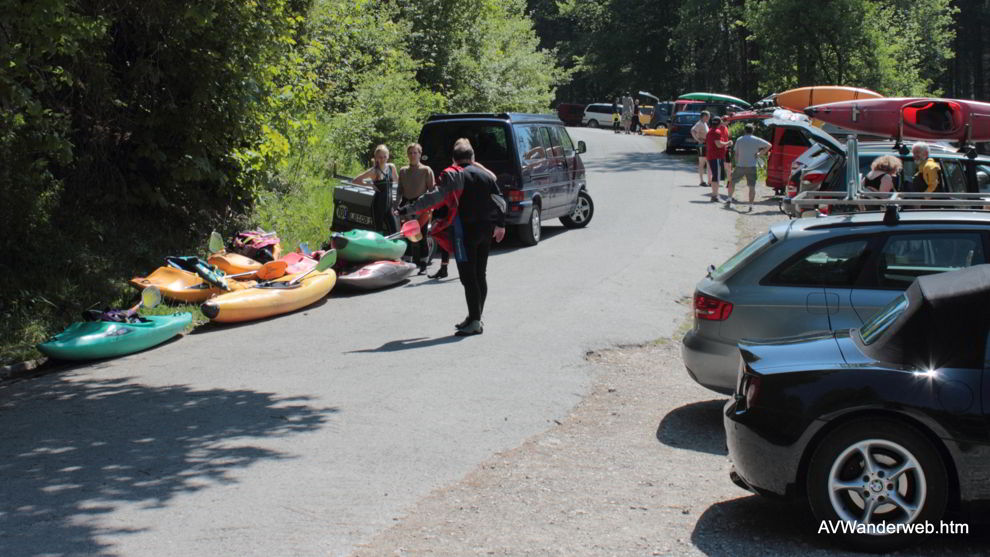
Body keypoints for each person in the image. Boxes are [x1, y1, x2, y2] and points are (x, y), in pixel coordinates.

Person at [398, 139, 506, 336]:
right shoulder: (485, 175)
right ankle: (476, 316)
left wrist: (407, 209)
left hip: (465, 233)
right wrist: (500, 224)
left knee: (468, 277)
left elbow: (434, 197)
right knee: (480, 275)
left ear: (454, 159)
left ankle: (475, 321)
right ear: (473, 157)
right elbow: (500, 202)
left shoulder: (454, 175)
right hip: (485, 231)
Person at [398, 143, 436, 274]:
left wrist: (431, 208)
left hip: (422, 207)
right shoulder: (403, 171)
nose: (413, 155)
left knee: (422, 236)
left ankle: (424, 264)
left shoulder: (426, 170)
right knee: (407, 235)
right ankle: (408, 264)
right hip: (407, 207)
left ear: (420, 154)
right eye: (410, 153)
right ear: (407, 155)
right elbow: (399, 191)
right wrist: (396, 207)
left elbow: (432, 191)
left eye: (415, 153)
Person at [352, 144, 399, 235]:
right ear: (376, 158)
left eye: (385, 156)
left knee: (394, 232)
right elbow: (356, 180)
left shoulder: (391, 167)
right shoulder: (374, 171)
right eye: (380, 157)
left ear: (388, 156)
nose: (383, 159)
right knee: (378, 231)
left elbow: (398, 181)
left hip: (389, 207)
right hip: (378, 206)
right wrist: (370, 185)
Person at [727, 123, 771, 211]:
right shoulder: (756, 140)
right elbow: (769, 145)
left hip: (740, 165)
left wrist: (736, 163)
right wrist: (760, 153)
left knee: (732, 182)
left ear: (744, 130)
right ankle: (750, 205)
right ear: (752, 130)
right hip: (752, 166)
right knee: (752, 186)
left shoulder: (739, 140)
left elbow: (736, 153)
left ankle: (729, 199)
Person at [705, 117, 732, 203]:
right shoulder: (717, 132)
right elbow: (718, 144)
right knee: (716, 176)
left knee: (715, 176)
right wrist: (728, 143)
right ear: (719, 123)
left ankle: (715, 195)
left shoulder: (710, 131)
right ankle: (715, 196)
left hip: (712, 156)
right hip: (716, 156)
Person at [691, 111, 711, 187]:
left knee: (706, 163)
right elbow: (692, 130)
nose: (709, 118)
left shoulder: (704, 123)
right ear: (704, 116)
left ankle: (707, 180)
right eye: (708, 116)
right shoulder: (699, 123)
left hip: (705, 145)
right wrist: (698, 140)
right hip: (702, 145)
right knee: (702, 163)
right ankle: (702, 181)